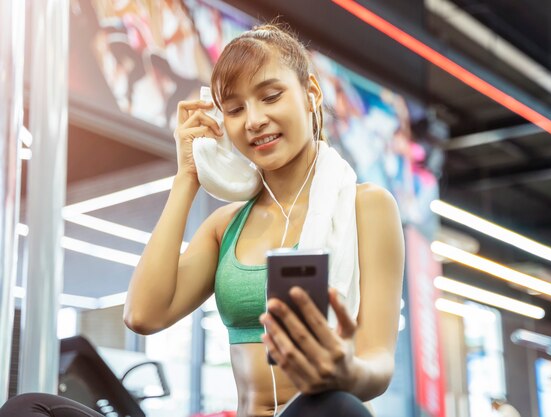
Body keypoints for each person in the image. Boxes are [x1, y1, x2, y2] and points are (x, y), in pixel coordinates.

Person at [0, 23, 404, 417]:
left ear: (310, 92)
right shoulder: (226, 225)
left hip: (331, 409)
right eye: (234, 109)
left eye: (270, 96)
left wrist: (345, 371)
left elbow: (378, 363)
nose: (254, 120)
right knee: (28, 408)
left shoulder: (365, 206)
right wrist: (187, 177)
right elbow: (142, 315)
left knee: (334, 403)